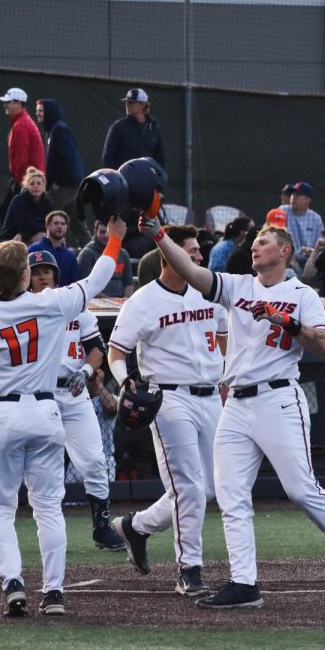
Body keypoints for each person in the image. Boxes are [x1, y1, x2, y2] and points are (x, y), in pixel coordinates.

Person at [138, 214, 325, 608]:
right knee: (230, 495)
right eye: (254, 241)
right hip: (236, 403)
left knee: (300, 489)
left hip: (278, 399)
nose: (254, 246)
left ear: (284, 251)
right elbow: (192, 271)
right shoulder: (237, 286)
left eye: (263, 241)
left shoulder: (301, 294)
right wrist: (159, 236)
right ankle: (244, 583)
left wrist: (288, 322)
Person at [0, 220, 126, 618]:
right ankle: (54, 592)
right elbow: (98, 278)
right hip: (46, 410)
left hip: (4, 413)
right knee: (48, 507)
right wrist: (115, 238)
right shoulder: (49, 303)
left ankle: (13, 583)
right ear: (24, 274)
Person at [108, 224, 229, 596]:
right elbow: (116, 351)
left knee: (207, 487)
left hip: (211, 394)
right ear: (168, 255)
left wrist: (227, 387)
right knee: (189, 487)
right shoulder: (142, 301)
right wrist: (124, 380)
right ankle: (189, 568)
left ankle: (137, 527)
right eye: (190, 252)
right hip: (169, 397)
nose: (197, 257)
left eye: (197, 251)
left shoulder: (209, 291)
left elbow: (225, 342)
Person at [27, 250, 125, 551]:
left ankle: (101, 528)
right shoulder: (24, 307)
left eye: (47, 270)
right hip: (40, 395)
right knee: (48, 469)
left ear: (56, 275)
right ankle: (50, 531)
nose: (43, 276)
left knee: (95, 461)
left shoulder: (76, 305)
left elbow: (96, 347)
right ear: (26, 276)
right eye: (36, 271)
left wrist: (85, 370)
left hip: (74, 391)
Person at [36, 98, 87, 246]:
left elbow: (66, 158)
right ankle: (90, 251)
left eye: (41, 110)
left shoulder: (59, 130)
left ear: (49, 112)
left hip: (66, 186)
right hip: (71, 185)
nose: (38, 113)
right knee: (78, 223)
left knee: (50, 218)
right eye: (37, 110)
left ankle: (50, 251)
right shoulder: (54, 130)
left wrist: (57, 182)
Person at [0, 87, 45, 225]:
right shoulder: (23, 122)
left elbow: (20, 160)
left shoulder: (21, 126)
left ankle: (15, 245)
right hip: (28, 179)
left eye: (9, 102)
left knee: (6, 213)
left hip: (25, 180)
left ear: (18, 104)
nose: (5, 105)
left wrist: (20, 183)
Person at [102, 88, 166, 171]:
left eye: (131, 102)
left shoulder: (154, 128)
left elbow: (160, 158)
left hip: (146, 180)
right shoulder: (118, 126)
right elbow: (108, 157)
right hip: (123, 179)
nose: (127, 105)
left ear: (143, 105)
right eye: (126, 102)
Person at [77, 220, 135, 297]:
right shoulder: (87, 253)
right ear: (95, 232)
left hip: (121, 302)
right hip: (95, 302)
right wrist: (110, 301)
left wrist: (126, 301)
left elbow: (129, 284)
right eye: (102, 232)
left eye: (108, 232)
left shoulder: (123, 254)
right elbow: (84, 286)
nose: (106, 235)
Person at [0, 168, 53, 244]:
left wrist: (23, 234)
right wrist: (41, 224)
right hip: (11, 237)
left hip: (24, 235)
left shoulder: (47, 202)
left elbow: (50, 225)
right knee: (41, 236)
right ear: (26, 186)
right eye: (32, 184)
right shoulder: (18, 200)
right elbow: (26, 225)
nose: (36, 186)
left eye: (39, 183)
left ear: (44, 186)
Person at [28, 211, 80, 284]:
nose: (60, 226)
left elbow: (74, 284)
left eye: (63, 224)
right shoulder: (34, 249)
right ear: (47, 226)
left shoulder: (70, 256)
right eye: (56, 223)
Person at [284, 182, 324, 266]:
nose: (293, 197)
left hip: (309, 260)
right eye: (292, 194)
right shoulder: (282, 211)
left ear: (308, 200)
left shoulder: (316, 219)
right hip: (287, 259)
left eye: (298, 195)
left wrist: (311, 252)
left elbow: (321, 244)